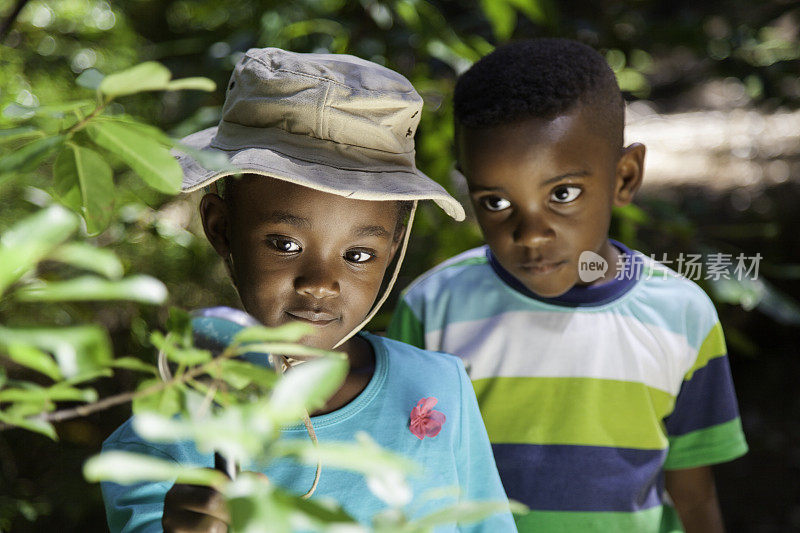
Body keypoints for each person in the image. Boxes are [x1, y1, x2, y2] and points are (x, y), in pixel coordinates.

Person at [101, 47, 516, 532]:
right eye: (285, 243)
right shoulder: (161, 442)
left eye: (359, 255)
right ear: (220, 228)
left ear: (394, 247)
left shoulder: (439, 388)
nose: (321, 283)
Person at [387, 38, 748, 533]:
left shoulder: (683, 315)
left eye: (563, 193)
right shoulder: (433, 308)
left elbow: (693, 492)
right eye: (495, 202)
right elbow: (408, 477)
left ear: (624, 177)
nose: (530, 233)